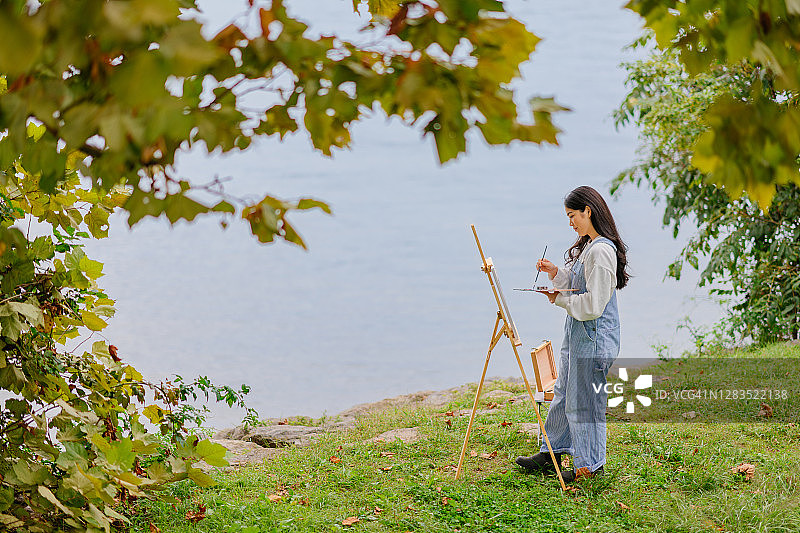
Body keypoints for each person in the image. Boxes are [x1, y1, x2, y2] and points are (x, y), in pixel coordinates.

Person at [516, 186, 629, 483]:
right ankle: (551, 452)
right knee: (564, 394)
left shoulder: (602, 251)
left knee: (584, 405)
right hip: (579, 335)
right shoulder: (590, 246)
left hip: (594, 339)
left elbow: (593, 304)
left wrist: (558, 299)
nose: (570, 222)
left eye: (572, 215)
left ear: (587, 211)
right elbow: (580, 285)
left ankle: (590, 466)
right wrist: (556, 274)